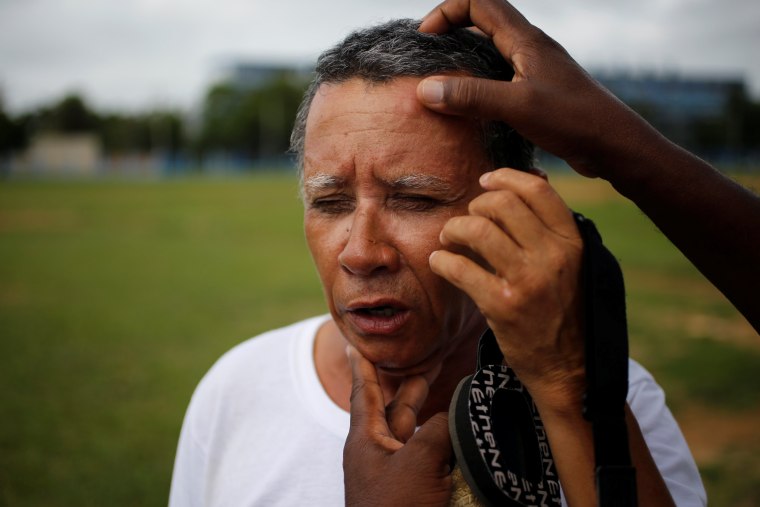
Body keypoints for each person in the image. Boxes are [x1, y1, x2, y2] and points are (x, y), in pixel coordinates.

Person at [169, 17, 706, 507]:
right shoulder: (237, 391)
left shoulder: (615, 402)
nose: (361, 253)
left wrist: (577, 405)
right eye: (330, 203)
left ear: (522, 214)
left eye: (415, 199)